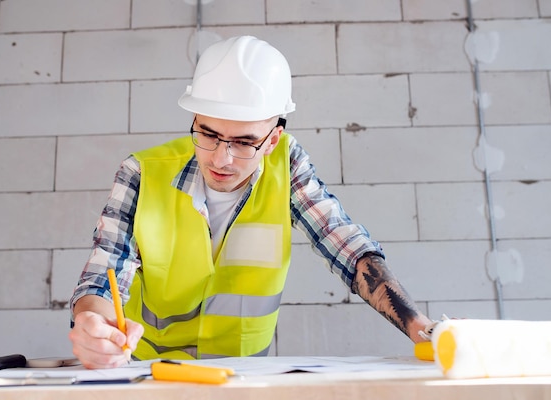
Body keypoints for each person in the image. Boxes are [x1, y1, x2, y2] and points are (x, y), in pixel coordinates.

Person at [69, 35, 433, 369]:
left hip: (243, 377)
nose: (221, 158)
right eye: (208, 134)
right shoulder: (141, 172)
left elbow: (346, 246)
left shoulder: (286, 166)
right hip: (150, 374)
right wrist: (94, 326)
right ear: (194, 119)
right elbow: (104, 274)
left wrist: (421, 329)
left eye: (244, 142)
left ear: (273, 140)